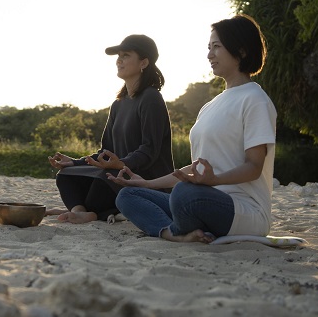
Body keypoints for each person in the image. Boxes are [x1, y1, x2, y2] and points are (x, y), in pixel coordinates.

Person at [108, 15, 276, 243]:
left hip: (243, 210)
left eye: (217, 47)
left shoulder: (255, 99)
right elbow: (195, 169)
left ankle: (177, 227)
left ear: (242, 51)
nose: (209, 55)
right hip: (203, 198)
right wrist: (147, 183)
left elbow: (254, 167)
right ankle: (172, 232)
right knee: (128, 195)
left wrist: (212, 181)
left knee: (184, 193)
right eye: (209, 48)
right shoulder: (209, 106)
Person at [47, 34, 174, 224]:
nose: (119, 61)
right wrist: (74, 163)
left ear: (144, 62)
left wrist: (121, 164)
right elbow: (105, 152)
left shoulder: (151, 98)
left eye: (126, 55)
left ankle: (95, 212)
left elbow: (150, 150)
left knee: (103, 177)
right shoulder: (118, 104)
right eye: (118, 56)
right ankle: (81, 210)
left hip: (143, 178)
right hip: (114, 173)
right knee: (66, 175)